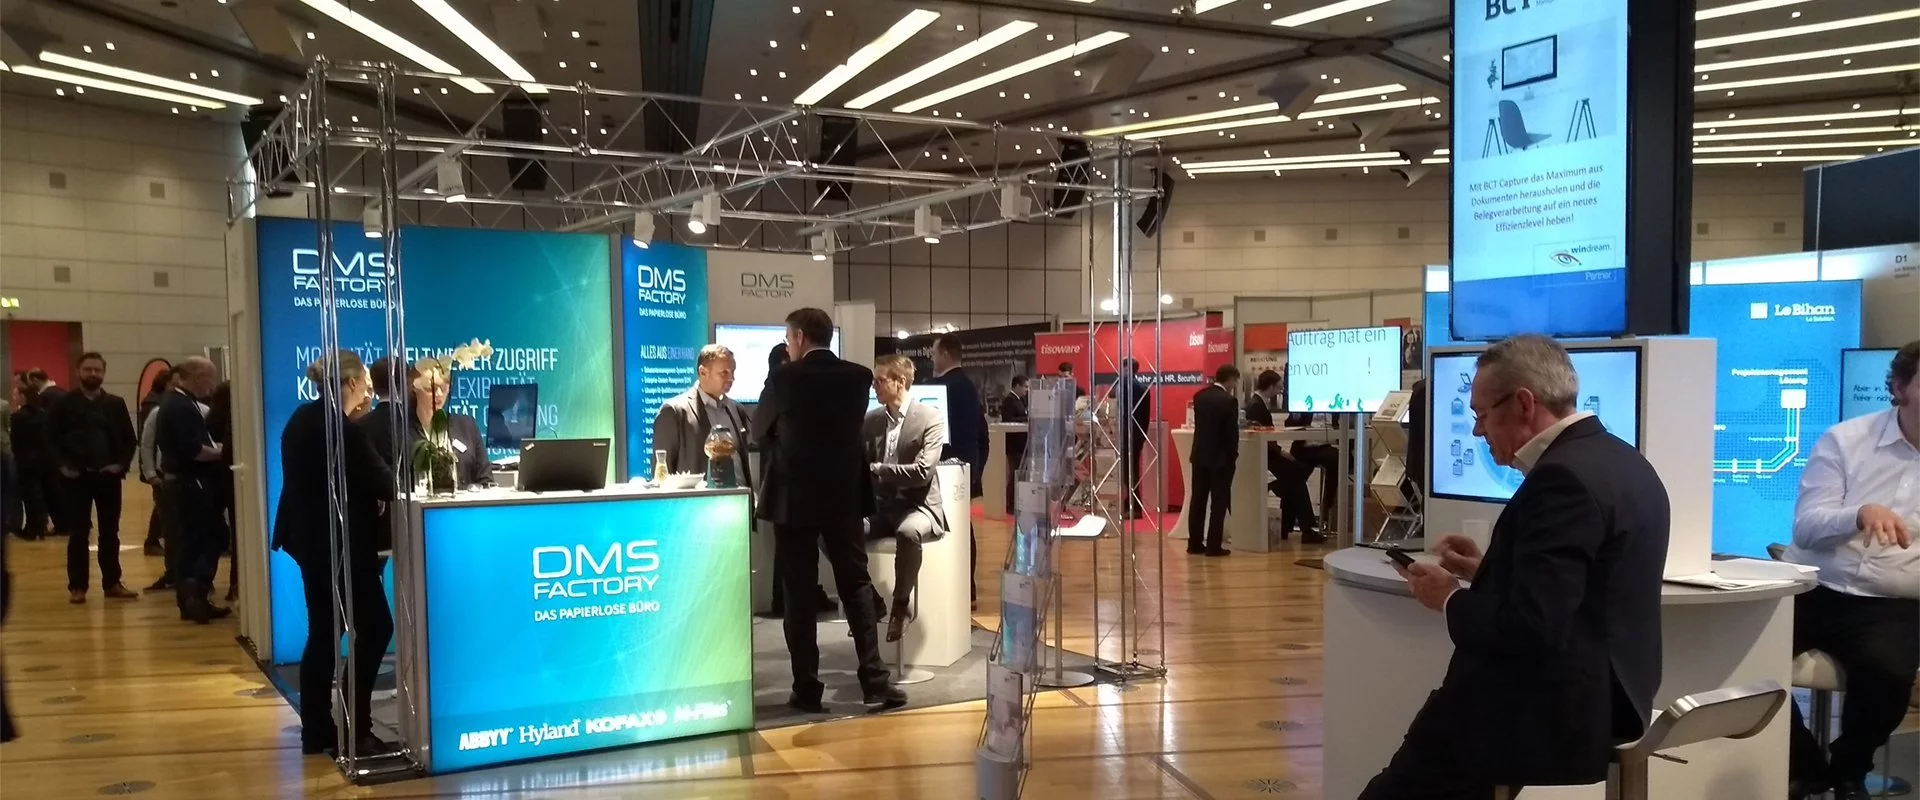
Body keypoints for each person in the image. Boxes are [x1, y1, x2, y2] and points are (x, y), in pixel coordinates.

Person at [1365, 334, 1668, 799]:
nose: (1477, 433)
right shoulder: (1624, 461)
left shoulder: (1561, 479)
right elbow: (1582, 590)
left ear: (1524, 404)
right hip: (1608, 698)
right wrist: (1487, 568)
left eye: (1482, 415)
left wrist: (1447, 596)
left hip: (1542, 712)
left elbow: (1531, 628)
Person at [1783, 340, 1920, 800]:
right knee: (1740, 658)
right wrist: (1858, 513)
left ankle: (1848, 770)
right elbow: (1805, 526)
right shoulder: (1846, 440)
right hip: (1813, 586)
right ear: (1900, 387)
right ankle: (1804, 764)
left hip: (1892, 602)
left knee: (1889, 676)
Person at [751, 307, 906, 713]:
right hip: (843, 498)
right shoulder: (857, 377)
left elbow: (757, 432)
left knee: (799, 594)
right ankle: (874, 682)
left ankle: (807, 688)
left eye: (788, 338)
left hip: (793, 500)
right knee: (855, 585)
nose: (788, 345)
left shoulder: (783, 377)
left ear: (799, 337)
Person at [272, 351, 396, 757]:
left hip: (312, 545)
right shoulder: (343, 430)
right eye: (364, 381)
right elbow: (386, 484)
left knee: (324, 634)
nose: (368, 389)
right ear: (350, 383)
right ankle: (356, 726)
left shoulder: (300, 420)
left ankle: (319, 729)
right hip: (344, 549)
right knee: (375, 628)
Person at [863, 355, 949, 642]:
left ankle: (901, 606)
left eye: (880, 380)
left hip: (919, 506)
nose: (873, 386)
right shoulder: (871, 420)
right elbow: (860, 464)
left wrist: (880, 470)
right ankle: (868, 599)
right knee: (834, 532)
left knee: (908, 532)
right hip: (880, 506)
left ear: (900, 382)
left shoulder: (930, 417)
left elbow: (923, 472)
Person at [46, 353, 138, 604]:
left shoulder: (115, 404)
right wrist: (62, 467)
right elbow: (49, 439)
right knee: (78, 533)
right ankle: (78, 587)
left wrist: (120, 465)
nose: (93, 374)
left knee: (110, 532)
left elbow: (130, 439)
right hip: (75, 478)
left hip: (108, 477)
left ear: (104, 373)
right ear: (79, 372)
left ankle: (112, 583)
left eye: (97, 370)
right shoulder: (63, 403)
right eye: (88, 369)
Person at [156, 357, 229, 622]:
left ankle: (192, 598)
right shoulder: (182, 407)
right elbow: (195, 451)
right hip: (191, 482)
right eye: (210, 377)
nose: (212, 384)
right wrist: (225, 452)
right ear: (197, 376)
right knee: (203, 538)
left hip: (182, 481)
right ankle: (194, 596)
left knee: (196, 538)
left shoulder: (174, 403)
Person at [362, 360, 490, 488]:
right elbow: (396, 484)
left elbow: (485, 479)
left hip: (464, 506)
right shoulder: (397, 431)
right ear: (414, 387)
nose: (438, 394)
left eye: (444, 388)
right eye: (431, 389)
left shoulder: (466, 425)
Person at [653, 344, 753, 485]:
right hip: (698, 503)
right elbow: (661, 475)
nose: (731, 378)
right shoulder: (674, 412)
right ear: (703, 372)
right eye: (724, 372)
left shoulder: (737, 409)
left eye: (732, 372)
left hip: (740, 501)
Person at [1245, 370, 1322, 544]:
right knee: (1298, 476)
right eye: (1279, 386)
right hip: (1268, 455)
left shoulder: (1257, 403)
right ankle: (1305, 526)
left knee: (1295, 481)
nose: (1280, 390)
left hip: (1269, 453)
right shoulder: (1257, 405)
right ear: (1271, 386)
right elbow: (1261, 434)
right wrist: (1281, 452)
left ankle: (1290, 526)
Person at [137, 366, 182, 594]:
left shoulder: (200, 408)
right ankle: (172, 573)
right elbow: (146, 443)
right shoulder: (156, 411)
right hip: (165, 477)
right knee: (170, 527)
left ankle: (192, 575)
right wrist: (151, 474)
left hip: (189, 478)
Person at [1186, 365, 1239, 557]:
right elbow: (1231, 434)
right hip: (1221, 459)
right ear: (1231, 379)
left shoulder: (1200, 397)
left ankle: (1194, 543)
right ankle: (1213, 545)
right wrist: (1233, 456)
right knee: (1218, 502)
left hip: (1199, 456)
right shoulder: (1229, 401)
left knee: (1198, 500)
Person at [136, 369, 173, 557]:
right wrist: (149, 470)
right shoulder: (155, 406)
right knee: (162, 505)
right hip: (160, 464)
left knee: (161, 504)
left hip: (158, 463)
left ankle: (154, 540)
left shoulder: (153, 402)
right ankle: (152, 541)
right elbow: (147, 440)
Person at [1115, 358, 1152, 519]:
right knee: (1133, 471)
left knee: (1124, 472)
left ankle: (1125, 506)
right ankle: (1135, 507)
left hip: (1122, 433)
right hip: (1137, 435)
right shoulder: (1144, 388)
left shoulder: (1120, 385)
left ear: (1125, 368)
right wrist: (1141, 436)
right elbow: (1146, 417)